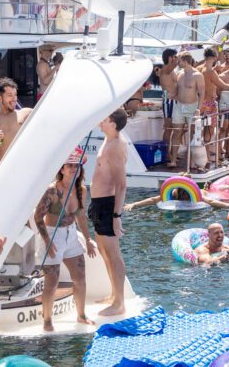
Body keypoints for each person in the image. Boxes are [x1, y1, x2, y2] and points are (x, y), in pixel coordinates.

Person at [34, 148, 96, 331]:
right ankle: (47, 320)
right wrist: (47, 241)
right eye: (70, 166)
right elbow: (38, 217)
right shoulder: (52, 191)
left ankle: (81, 315)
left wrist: (88, 238)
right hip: (52, 234)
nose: (74, 170)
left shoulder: (81, 190)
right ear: (62, 169)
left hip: (71, 234)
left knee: (80, 277)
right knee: (52, 282)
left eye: (77, 166)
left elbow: (81, 216)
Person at [88, 108, 128, 316]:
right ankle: (114, 295)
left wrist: (116, 216)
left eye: (104, 120)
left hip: (107, 204)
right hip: (98, 202)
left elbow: (122, 185)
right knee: (104, 252)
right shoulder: (108, 140)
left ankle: (119, 303)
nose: (100, 122)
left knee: (113, 254)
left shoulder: (116, 147)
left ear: (113, 123)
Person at [0, 77, 33, 167]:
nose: (14, 99)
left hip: (23, 167)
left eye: (15, 94)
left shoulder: (25, 113)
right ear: (0, 98)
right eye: (10, 95)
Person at [169, 51, 205, 169]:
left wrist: (198, 109)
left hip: (192, 106)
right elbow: (176, 89)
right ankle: (173, 160)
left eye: (179, 60)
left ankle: (192, 162)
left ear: (185, 61)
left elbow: (202, 93)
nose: (177, 62)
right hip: (179, 105)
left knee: (192, 134)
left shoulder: (197, 75)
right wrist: (172, 95)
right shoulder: (179, 74)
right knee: (176, 132)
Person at [159, 49, 178, 147]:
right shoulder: (165, 69)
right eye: (175, 57)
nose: (177, 59)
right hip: (168, 101)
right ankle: (166, 153)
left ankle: (170, 151)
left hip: (174, 101)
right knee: (168, 127)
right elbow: (175, 64)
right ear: (170, 58)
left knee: (175, 128)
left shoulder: (172, 70)